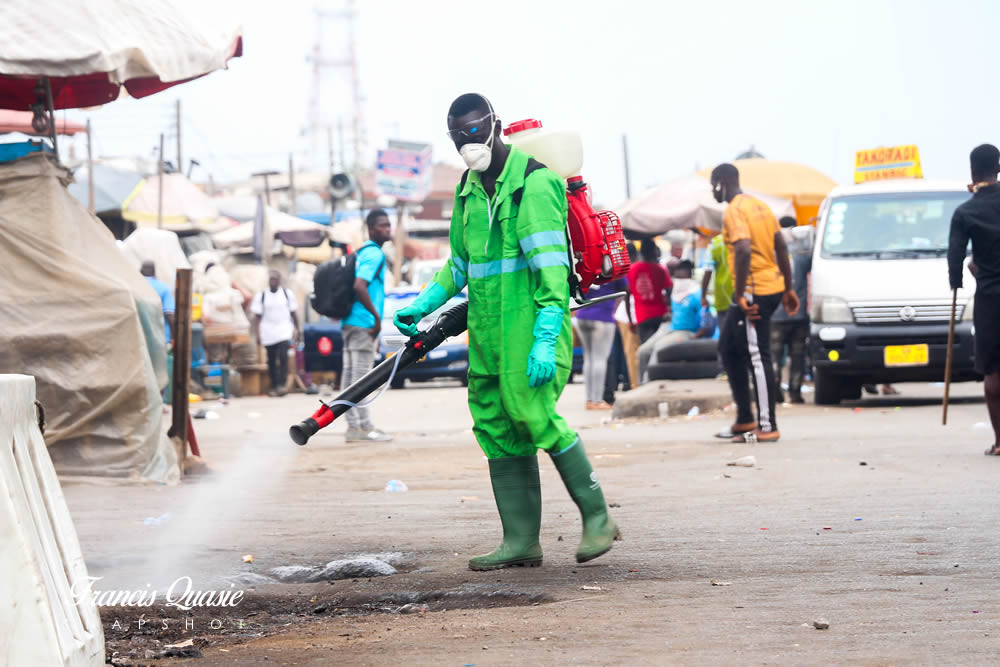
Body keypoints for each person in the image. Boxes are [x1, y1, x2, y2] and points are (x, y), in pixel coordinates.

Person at [393, 93, 619, 570]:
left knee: (531, 414)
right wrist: (423, 304)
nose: (468, 143)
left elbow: (553, 273)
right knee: (495, 425)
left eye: (475, 131)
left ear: (493, 125)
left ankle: (598, 516)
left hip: (531, 328)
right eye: (458, 137)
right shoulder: (467, 189)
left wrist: (544, 338)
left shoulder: (534, 184)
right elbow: (459, 263)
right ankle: (521, 542)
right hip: (489, 333)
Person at [711, 163, 799, 442]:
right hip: (771, 286)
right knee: (729, 348)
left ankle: (766, 424)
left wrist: (738, 294)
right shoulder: (760, 206)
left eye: (713, 185)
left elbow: (744, 248)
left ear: (723, 182)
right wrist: (787, 287)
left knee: (757, 355)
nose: (712, 191)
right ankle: (745, 418)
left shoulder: (735, 209)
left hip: (753, 291)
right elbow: (781, 246)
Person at [948, 143, 1000, 456]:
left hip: (991, 298)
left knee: (994, 372)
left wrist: (956, 280)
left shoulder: (966, 211)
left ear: (972, 171)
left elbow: (955, 255)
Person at [340, 209, 394, 442]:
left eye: (388, 225)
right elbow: (359, 286)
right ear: (371, 229)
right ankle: (362, 427)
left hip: (349, 321)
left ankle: (354, 426)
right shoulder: (374, 255)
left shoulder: (362, 252)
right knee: (361, 380)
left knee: (350, 377)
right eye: (382, 225)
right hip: (363, 323)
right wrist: (377, 318)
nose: (387, 229)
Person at [637, 260, 705, 381]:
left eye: (682, 279)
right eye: (677, 279)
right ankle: (641, 383)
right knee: (643, 351)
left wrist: (697, 336)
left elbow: (706, 319)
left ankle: (650, 382)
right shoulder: (675, 293)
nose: (679, 282)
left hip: (686, 331)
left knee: (659, 349)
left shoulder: (697, 294)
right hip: (670, 329)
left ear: (689, 277)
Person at [770, 216, 812, 404]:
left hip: (776, 314)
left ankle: (774, 391)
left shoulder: (771, 252)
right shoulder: (803, 252)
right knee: (797, 355)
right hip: (799, 313)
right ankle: (795, 392)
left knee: (774, 356)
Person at [575, 277, 627, 410]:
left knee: (589, 358)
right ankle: (597, 401)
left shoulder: (585, 260)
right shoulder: (613, 262)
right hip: (602, 316)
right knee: (600, 359)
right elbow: (625, 287)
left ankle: (589, 399)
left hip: (582, 315)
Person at [251, 270, 299, 397]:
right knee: (271, 360)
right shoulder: (262, 296)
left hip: (284, 330)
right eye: (271, 279)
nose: (273, 282)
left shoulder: (287, 294)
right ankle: (274, 384)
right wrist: (257, 334)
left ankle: (282, 385)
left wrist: (296, 329)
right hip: (268, 332)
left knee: (283, 357)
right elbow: (257, 317)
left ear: (279, 281)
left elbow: (294, 314)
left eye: (275, 279)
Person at [628, 240, 672, 344]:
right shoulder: (660, 270)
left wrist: (630, 320)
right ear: (654, 252)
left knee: (646, 347)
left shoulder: (632, 269)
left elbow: (626, 295)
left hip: (642, 316)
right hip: (661, 314)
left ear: (641, 252)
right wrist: (669, 306)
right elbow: (669, 289)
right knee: (660, 346)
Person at [141, 261, 175, 346]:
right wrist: (175, 336)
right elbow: (169, 314)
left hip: (139, 339)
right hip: (160, 340)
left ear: (140, 271)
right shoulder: (164, 288)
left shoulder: (133, 286)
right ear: (154, 272)